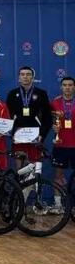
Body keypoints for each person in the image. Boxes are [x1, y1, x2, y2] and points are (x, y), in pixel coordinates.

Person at [7, 66, 52, 168]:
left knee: (34, 170)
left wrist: (42, 136)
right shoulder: (12, 94)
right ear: (19, 78)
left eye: (28, 74)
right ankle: (21, 183)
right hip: (18, 137)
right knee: (20, 170)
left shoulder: (41, 94)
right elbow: (7, 117)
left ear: (32, 77)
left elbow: (47, 118)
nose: (25, 77)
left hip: (35, 137)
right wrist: (12, 133)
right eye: (22, 74)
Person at [51, 76, 75, 212]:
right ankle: (57, 204)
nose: (67, 88)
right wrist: (54, 127)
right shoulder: (54, 103)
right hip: (60, 145)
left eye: (70, 85)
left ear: (74, 87)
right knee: (58, 176)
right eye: (65, 85)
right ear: (61, 87)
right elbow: (51, 121)